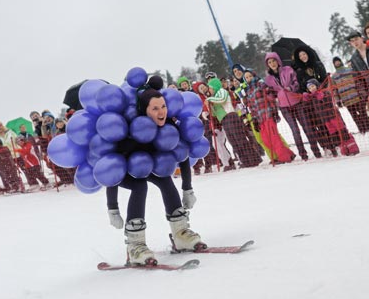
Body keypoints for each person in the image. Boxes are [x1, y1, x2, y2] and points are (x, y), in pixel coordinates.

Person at [106, 77, 204, 266]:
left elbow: (181, 155)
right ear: (145, 111)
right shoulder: (133, 133)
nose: (161, 112)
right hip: (128, 169)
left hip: (153, 165)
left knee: (165, 180)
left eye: (163, 107)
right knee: (140, 187)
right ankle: (135, 245)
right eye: (155, 108)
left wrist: (187, 189)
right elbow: (112, 169)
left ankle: (180, 233)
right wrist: (112, 207)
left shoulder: (169, 127)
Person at [264, 52, 322, 160]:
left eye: (274, 61)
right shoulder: (268, 79)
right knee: (295, 130)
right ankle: (303, 154)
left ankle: (316, 150)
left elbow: (296, 83)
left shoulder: (288, 70)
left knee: (307, 127)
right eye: (270, 62)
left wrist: (291, 88)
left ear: (278, 61)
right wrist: (272, 95)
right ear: (267, 64)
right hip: (284, 107)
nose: (272, 64)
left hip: (297, 103)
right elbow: (270, 94)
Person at [206, 78, 262, 168]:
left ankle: (253, 159)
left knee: (240, 139)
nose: (210, 90)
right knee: (234, 141)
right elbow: (214, 114)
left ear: (215, 86)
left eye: (211, 88)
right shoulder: (214, 98)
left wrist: (210, 99)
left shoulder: (221, 91)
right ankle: (245, 161)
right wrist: (209, 107)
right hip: (224, 120)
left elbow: (223, 99)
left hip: (230, 116)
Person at [247, 81, 296, 164]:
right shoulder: (249, 91)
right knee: (266, 140)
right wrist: (254, 119)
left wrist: (275, 112)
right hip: (260, 119)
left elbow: (271, 98)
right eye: (247, 77)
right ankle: (289, 154)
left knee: (274, 138)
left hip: (268, 115)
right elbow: (252, 107)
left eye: (250, 76)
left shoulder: (261, 84)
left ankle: (284, 157)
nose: (249, 78)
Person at [331, 56, 369, 133]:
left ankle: (368, 127)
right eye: (335, 62)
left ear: (341, 61)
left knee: (363, 113)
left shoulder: (350, 70)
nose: (337, 63)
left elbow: (358, 82)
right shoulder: (334, 76)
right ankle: (362, 129)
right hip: (346, 100)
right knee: (354, 116)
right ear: (334, 64)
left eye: (338, 61)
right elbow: (335, 90)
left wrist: (362, 93)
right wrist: (338, 100)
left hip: (356, 96)